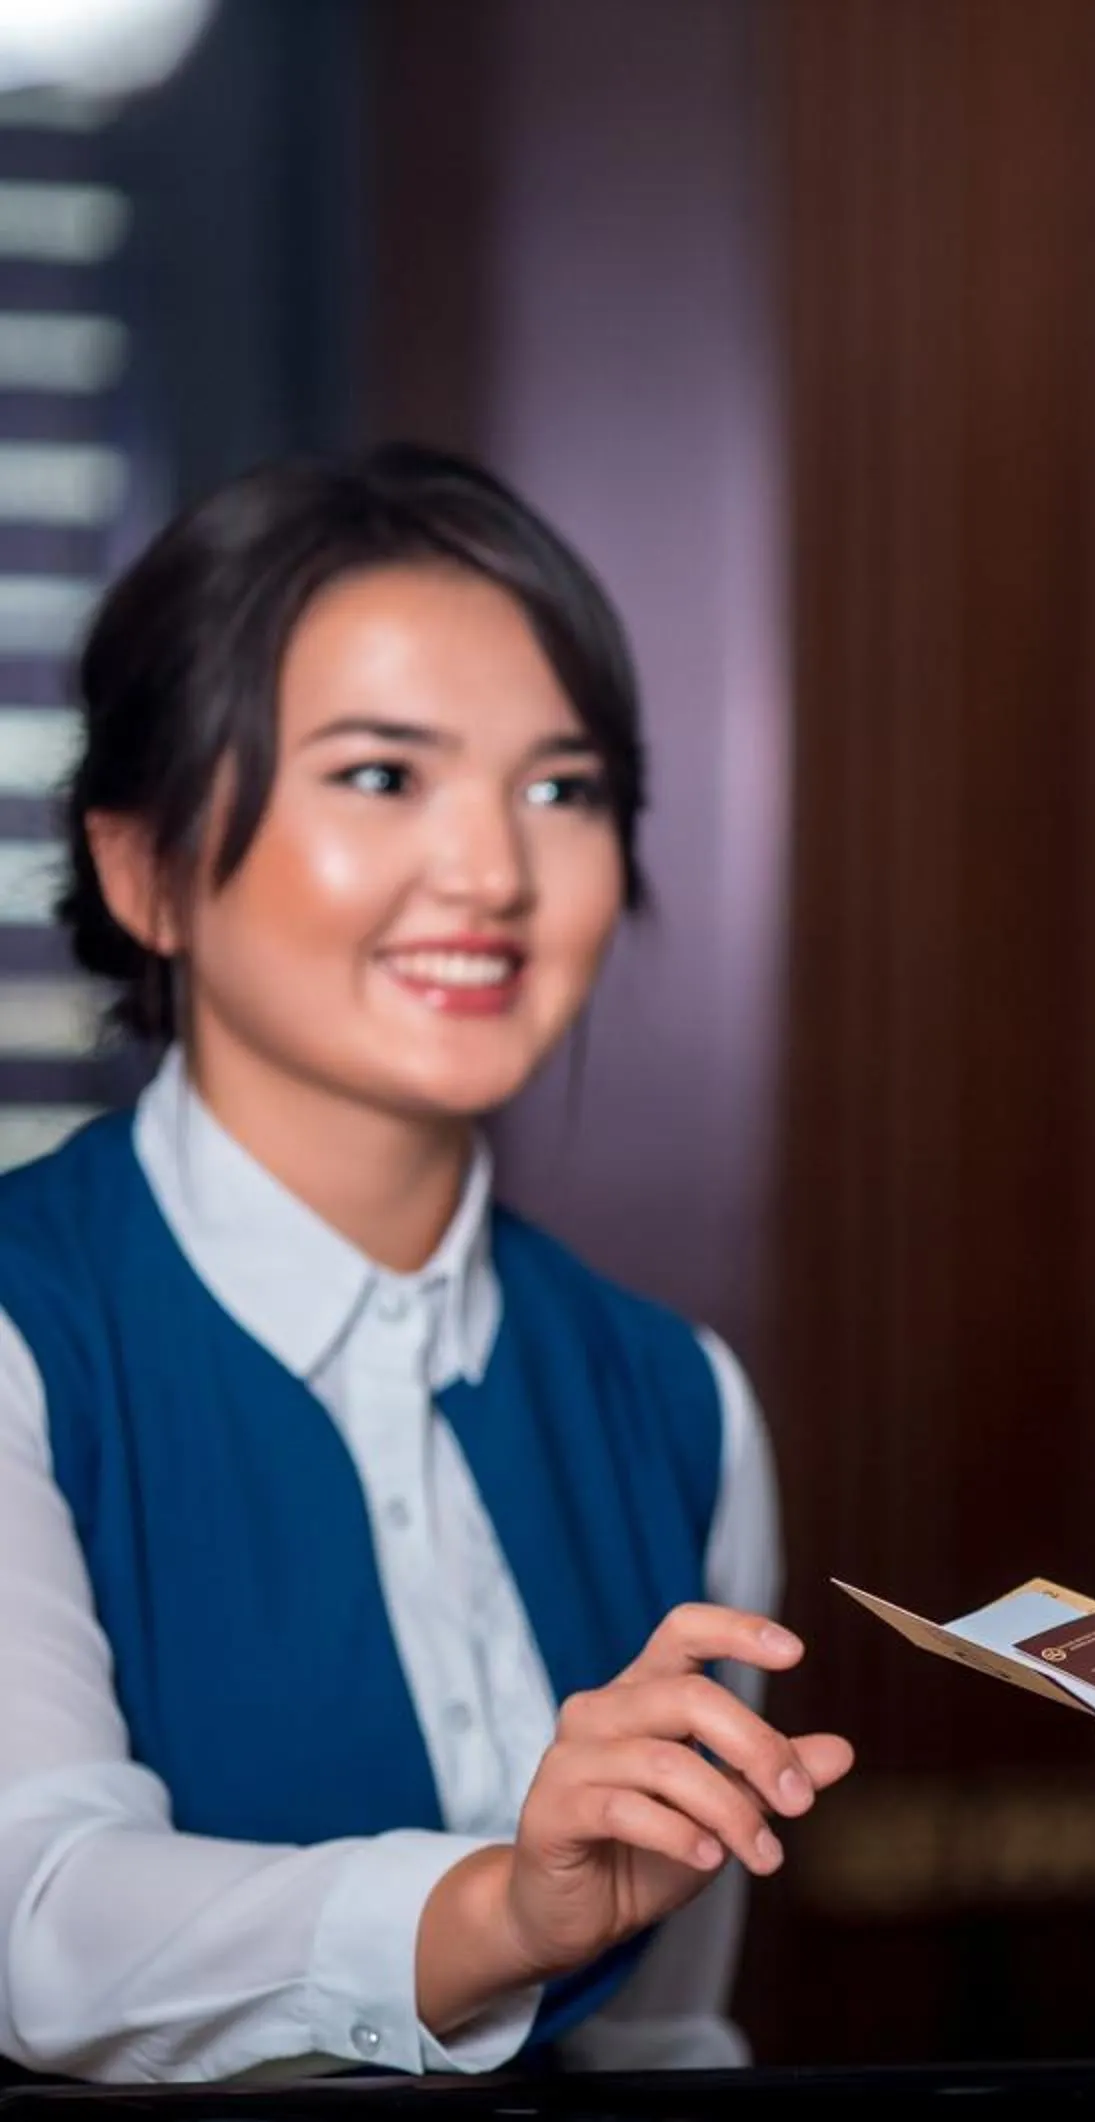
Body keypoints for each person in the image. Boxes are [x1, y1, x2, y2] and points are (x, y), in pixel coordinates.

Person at [0, 446, 852, 2082]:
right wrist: (496, 1913)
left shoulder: (678, 1400)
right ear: (143, 866)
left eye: (563, 788)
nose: (491, 876)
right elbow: (42, 1914)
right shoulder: (33, 1335)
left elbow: (670, 2036)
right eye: (384, 777)